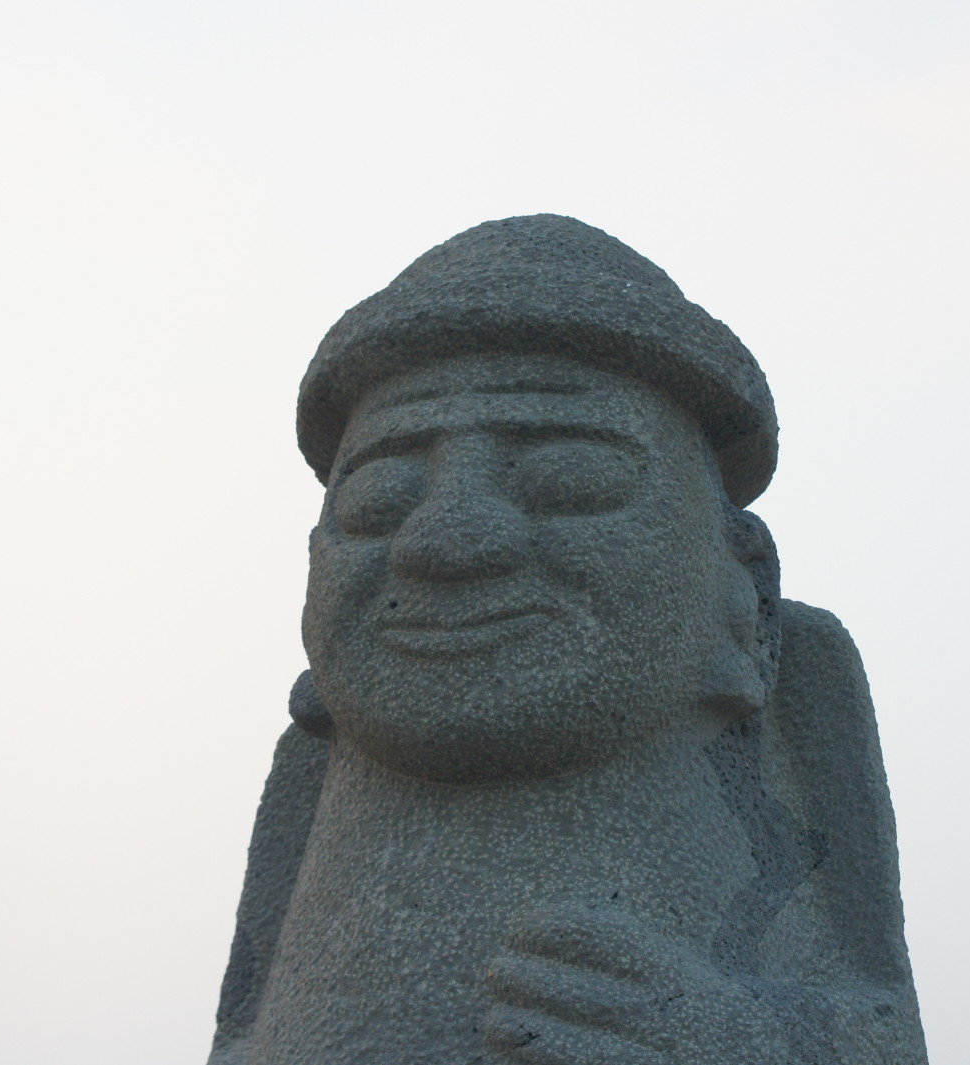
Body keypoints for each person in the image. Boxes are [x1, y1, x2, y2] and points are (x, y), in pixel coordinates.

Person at [207, 215, 927, 1064]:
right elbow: (239, 1033)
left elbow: (883, 1026)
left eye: (570, 476)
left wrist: (734, 1033)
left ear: (746, 587)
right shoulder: (313, 760)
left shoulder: (799, 694)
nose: (446, 539)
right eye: (377, 497)